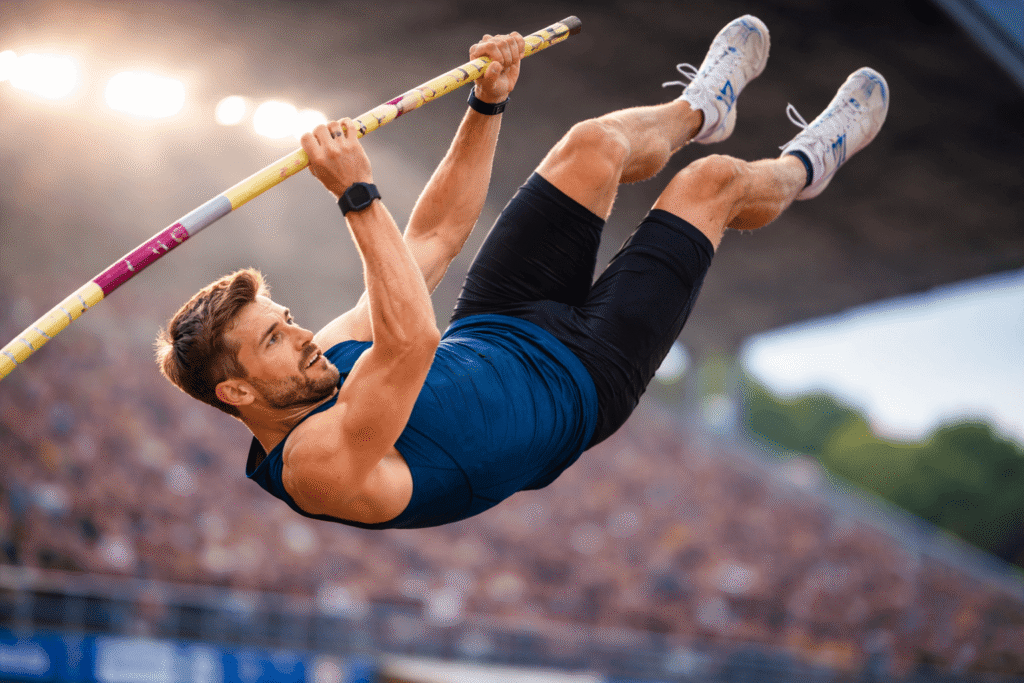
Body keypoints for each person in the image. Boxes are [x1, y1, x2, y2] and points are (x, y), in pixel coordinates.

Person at [156, 16, 889, 529]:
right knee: (712, 185)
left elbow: (435, 235)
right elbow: (411, 344)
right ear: (237, 391)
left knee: (591, 144)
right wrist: (355, 193)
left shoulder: (326, 355)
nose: (302, 334)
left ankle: (700, 108)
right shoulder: (311, 466)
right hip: (582, 383)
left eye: (285, 320)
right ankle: (805, 165)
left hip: (499, 319)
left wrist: (488, 102)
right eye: (275, 340)